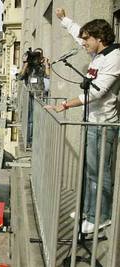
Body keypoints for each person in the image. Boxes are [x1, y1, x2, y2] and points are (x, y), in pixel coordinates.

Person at [46, 8, 120, 234]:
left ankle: (102, 216)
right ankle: (88, 210)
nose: (83, 42)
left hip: (102, 123)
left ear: (100, 39)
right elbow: (79, 34)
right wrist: (63, 19)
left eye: (88, 39)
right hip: (93, 120)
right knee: (90, 172)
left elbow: (97, 93)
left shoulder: (114, 57)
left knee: (99, 173)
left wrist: (65, 104)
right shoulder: (99, 54)